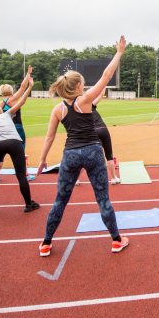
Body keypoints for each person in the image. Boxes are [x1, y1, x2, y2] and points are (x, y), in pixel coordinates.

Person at [36, 36, 129, 257]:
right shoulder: (84, 101)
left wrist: (42, 159)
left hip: (70, 154)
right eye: (82, 82)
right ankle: (116, 240)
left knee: (60, 200)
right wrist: (119, 52)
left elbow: (49, 138)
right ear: (78, 86)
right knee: (103, 199)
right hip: (93, 152)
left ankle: (46, 243)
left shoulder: (58, 109)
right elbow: (106, 76)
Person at [0, 77, 39, 215]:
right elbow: (22, 100)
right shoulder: (7, 114)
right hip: (14, 143)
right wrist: (30, 87)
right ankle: (28, 204)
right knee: (21, 175)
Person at [0, 65, 34, 183]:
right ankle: (25, 175)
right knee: (20, 152)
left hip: (4, 130)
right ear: (11, 90)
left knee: (0, 153)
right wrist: (28, 74)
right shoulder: (13, 99)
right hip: (17, 128)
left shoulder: (0, 103)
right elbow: (23, 87)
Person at [92, 92, 120, 185]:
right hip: (103, 130)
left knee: (88, 157)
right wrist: (105, 84)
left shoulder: (78, 110)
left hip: (93, 132)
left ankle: (77, 179)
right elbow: (100, 95)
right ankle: (113, 178)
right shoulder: (91, 105)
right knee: (109, 156)